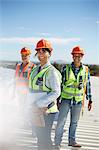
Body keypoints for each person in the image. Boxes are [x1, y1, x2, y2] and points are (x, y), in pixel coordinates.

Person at [54, 46, 92, 149]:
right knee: (61, 122)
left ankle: (72, 141)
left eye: (79, 56)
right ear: (72, 56)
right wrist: (57, 100)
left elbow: (87, 84)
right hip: (66, 99)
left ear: (82, 57)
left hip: (78, 101)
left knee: (74, 123)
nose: (77, 58)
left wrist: (90, 99)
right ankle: (57, 143)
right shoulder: (66, 69)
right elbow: (60, 84)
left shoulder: (86, 69)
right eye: (75, 55)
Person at [29, 39, 61, 150]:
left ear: (49, 53)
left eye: (44, 51)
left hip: (47, 111)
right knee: (40, 138)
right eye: (39, 51)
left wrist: (38, 104)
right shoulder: (35, 70)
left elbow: (56, 92)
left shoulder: (51, 71)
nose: (41, 54)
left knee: (44, 138)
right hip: (35, 110)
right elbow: (31, 90)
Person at [14, 47, 35, 126]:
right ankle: (23, 122)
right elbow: (15, 80)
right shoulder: (18, 66)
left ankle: (29, 123)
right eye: (22, 55)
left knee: (28, 108)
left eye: (26, 55)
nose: (24, 57)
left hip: (28, 92)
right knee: (21, 107)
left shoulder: (33, 67)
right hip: (19, 92)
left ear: (29, 55)